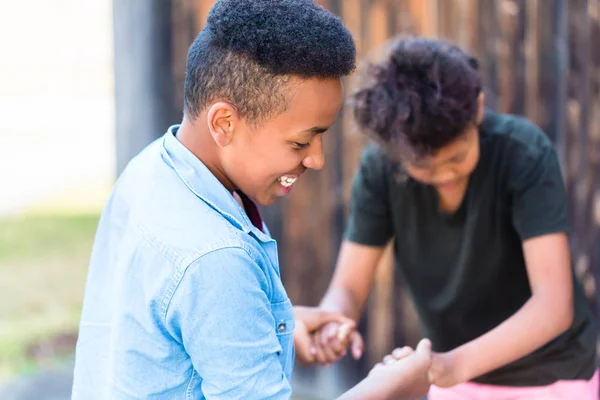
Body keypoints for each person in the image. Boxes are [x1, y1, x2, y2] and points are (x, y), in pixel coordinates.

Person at [71, 1, 432, 399]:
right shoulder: (216, 258)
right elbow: (210, 281)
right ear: (224, 123)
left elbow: (159, 325)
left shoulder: (154, 166)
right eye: (300, 140)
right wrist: (389, 390)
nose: (316, 158)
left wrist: (272, 325)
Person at [313, 36, 599, 399]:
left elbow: (554, 306)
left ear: (478, 109)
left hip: (552, 374)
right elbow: (349, 288)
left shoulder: (523, 153)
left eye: (457, 157)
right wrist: (333, 320)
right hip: (455, 376)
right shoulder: (380, 170)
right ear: (397, 154)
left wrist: (449, 366)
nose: (445, 175)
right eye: (425, 168)